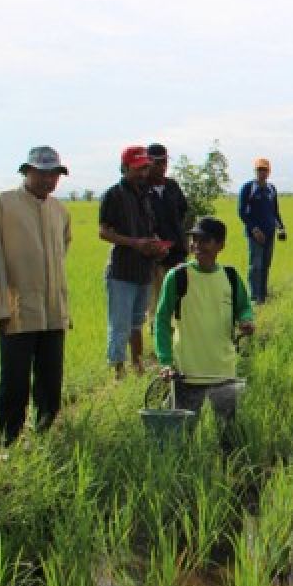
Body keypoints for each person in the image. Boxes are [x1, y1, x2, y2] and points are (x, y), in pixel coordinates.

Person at [0, 146, 71, 445]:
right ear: (26, 172)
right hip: (17, 311)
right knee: (14, 383)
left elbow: (60, 256)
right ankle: (10, 440)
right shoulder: (1, 204)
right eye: (41, 173)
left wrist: (63, 308)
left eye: (53, 174)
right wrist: (0, 307)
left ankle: (42, 436)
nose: (48, 180)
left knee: (50, 382)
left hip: (54, 311)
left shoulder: (60, 210)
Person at [154, 217, 254, 422]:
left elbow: (244, 307)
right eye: (194, 239)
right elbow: (162, 320)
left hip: (223, 371)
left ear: (220, 245)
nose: (196, 245)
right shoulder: (178, 276)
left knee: (228, 432)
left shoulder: (230, 277)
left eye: (204, 240)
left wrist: (246, 321)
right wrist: (165, 361)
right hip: (187, 373)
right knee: (184, 434)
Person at [99, 146, 164, 378]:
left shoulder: (145, 195)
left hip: (144, 269)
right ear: (125, 168)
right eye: (138, 168)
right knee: (120, 325)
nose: (143, 172)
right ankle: (118, 372)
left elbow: (150, 228)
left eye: (145, 167)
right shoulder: (113, 195)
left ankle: (137, 365)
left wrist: (156, 244)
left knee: (137, 322)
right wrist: (135, 243)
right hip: (121, 271)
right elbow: (104, 232)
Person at [145, 143, 190, 330]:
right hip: (155, 256)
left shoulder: (172, 186)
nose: (162, 167)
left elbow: (183, 211)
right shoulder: (142, 189)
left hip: (177, 252)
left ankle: (180, 336)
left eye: (164, 162)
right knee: (157, 300)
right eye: (157, 163)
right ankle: (158, 338)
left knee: (181, 296)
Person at [238, 157, 286, 304]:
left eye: (264, 169)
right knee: (255, 266)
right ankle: (254, 298)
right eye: (259, 169)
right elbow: (242, 212)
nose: (262, 172)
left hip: (270, 232)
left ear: (269, 171)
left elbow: (275, 211)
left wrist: (281, 227)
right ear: (255, 171)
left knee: (266, 264)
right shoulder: (248, 188)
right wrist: (254, 229)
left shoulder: (271, 189)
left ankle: (263, 296)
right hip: (255, 235)